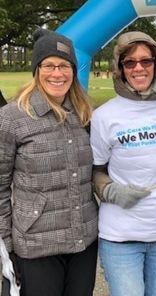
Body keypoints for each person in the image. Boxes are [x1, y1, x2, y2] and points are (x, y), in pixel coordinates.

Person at [0, 29, 98, 296]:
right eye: (49, 65)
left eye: (65, 65)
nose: (58, 73)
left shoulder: (84, 114)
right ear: (37, 69)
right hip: (36, 245)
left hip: (83, 243)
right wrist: (5, 245)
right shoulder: (11, 118)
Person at [91, 31, 156, 296]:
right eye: (129, 62)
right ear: (120, 69)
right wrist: (110, 191)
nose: (139, 68)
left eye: (146, 60)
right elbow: (95, 170)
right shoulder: (104, 116)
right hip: (121, 238)